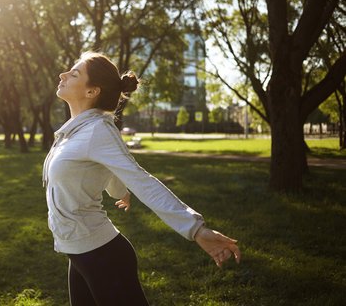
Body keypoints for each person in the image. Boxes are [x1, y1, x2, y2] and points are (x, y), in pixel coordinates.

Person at [43, 51, 240, 306]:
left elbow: (142, 180)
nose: (63, 75)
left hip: (103, 257)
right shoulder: (73, 132)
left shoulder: (97, 130)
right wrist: (120, 191)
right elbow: (106, 169)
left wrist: (196, 230)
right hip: (79, 254)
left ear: (92, 91)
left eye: (74, 73)